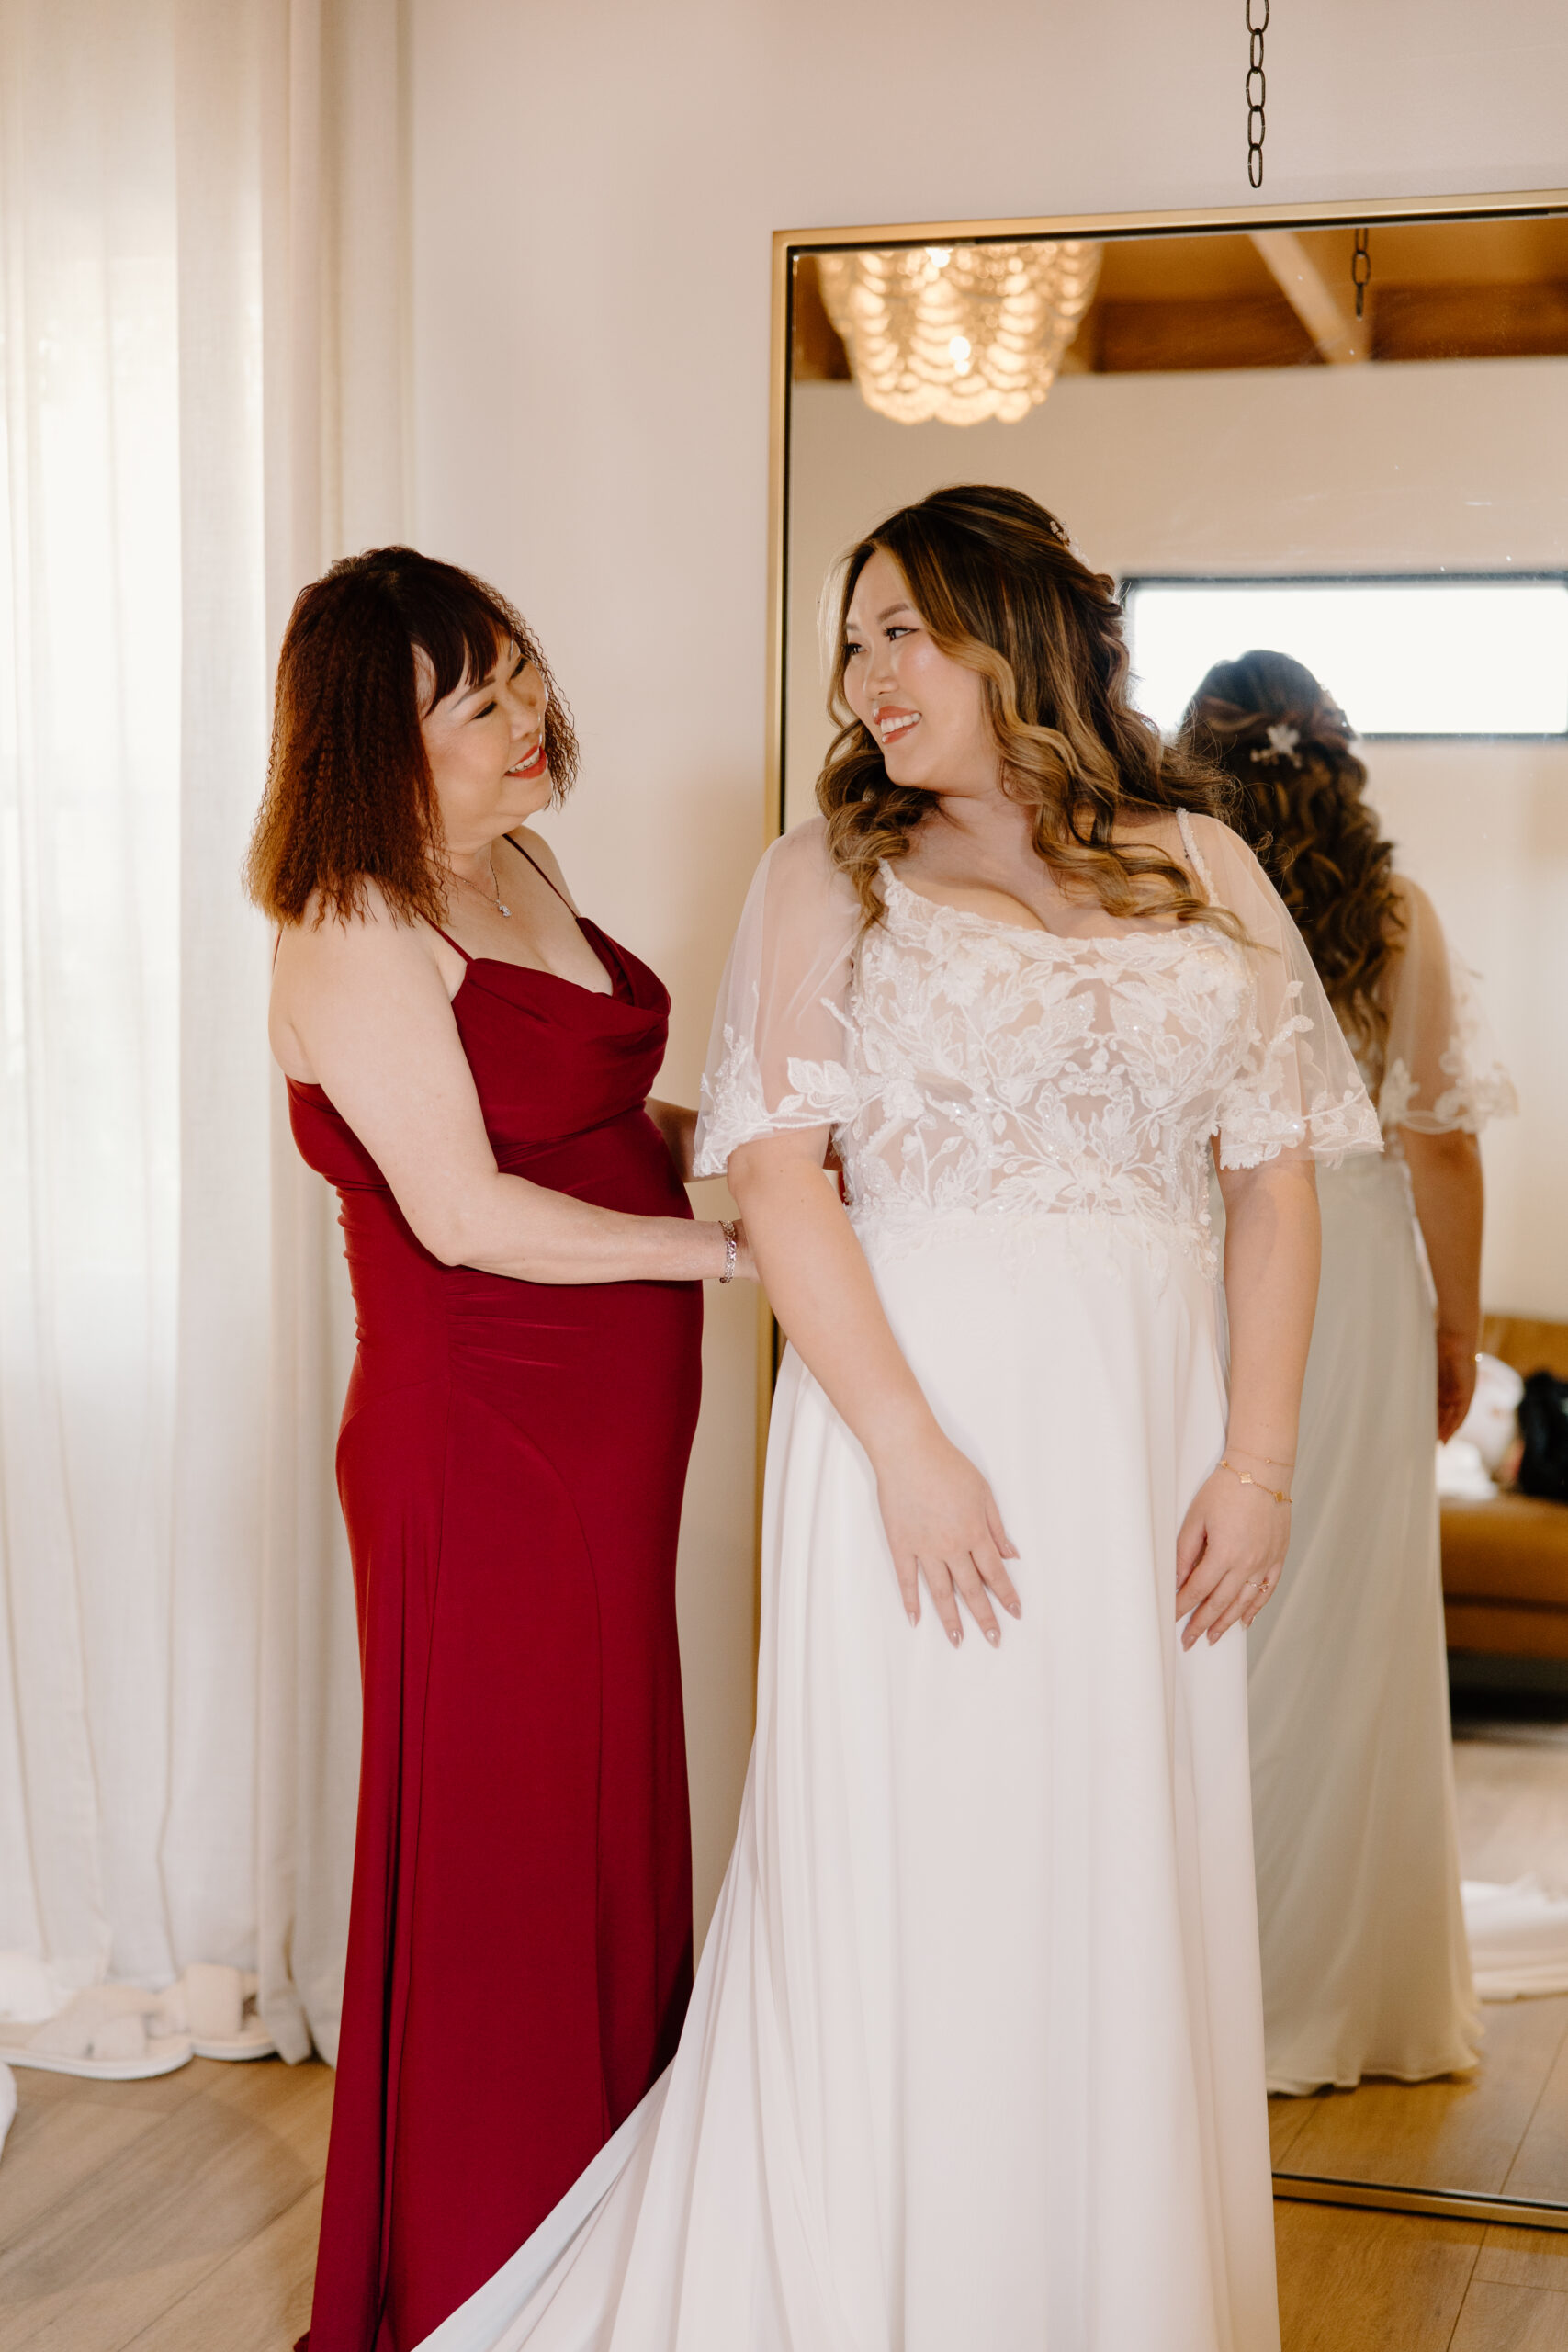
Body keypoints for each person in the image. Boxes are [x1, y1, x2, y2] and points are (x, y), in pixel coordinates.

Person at [429, 489, 1381, 2352]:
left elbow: (1272, 1183)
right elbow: (775, 1178)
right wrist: (908, 1443)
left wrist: (1253, 1459)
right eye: (848, 639)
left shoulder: (1199, 863)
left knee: (1115, 1861)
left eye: (898, 632)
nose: (862, 677)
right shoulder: (821, 871)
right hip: (903, 1425)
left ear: (1013, 633)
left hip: (1142, 1436)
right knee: (926, 1856)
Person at [248, 548, 753, 2352]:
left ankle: (608, 2224)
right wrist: (732, 1247)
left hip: (611, 1435)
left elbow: (595, 1116)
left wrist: (777, 1152)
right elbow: (464, 1211)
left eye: (525, 671)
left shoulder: (519, 861)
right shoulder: (354, 919)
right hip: (484, 1440)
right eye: (482, 696)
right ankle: (479, 2265)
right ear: (380, 735)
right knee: (507, 1845)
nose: (532, 711)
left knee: (604, 1801)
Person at [1180, 650, 1516, 2094]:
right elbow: (1439, 1139)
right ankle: (1332, 1975)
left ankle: (1193, 1974)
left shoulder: (1169, 899)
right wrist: (1458, 1328)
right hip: (1363, 1270)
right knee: (1352, 1614)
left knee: (1201, 1608)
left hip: (1207, 1258)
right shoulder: (1393, 914)